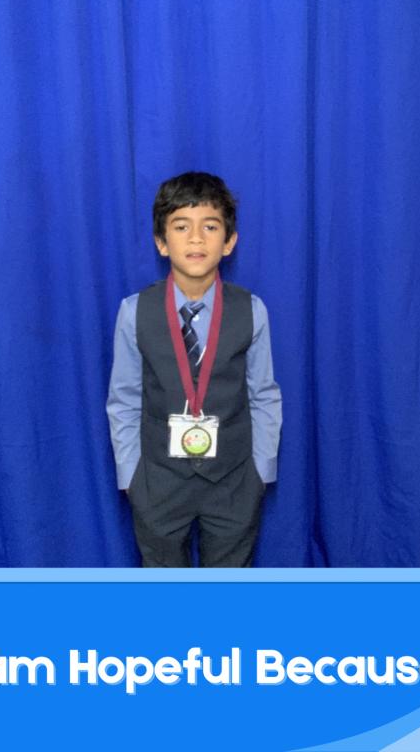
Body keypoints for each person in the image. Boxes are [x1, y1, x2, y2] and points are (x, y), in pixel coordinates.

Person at [107, 171, 282, 567]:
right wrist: (131, 476)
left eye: (211, 227)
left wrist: (260, 471)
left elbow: (263, 395)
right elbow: (124, 399)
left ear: (229, 241)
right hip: (158, 483)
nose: (197, 238)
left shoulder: (252, 310)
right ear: (161, 241)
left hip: (234, 481)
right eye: (181, 226)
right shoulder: (134, 312)